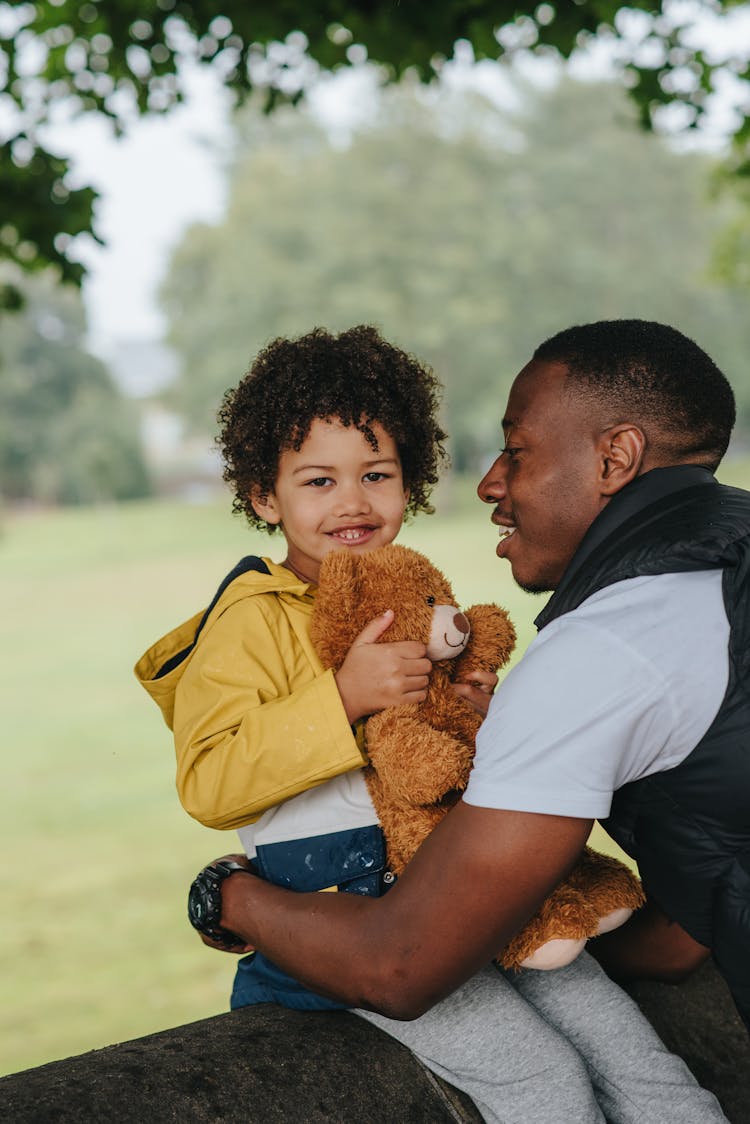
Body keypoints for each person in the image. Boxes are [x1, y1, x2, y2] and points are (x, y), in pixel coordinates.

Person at [138, 323, 727, 1123]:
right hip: (347, 911)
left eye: (375, 474)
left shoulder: (414, 597)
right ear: (262, 497)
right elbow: (210, 782)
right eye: (317, 481)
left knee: (632, 1053)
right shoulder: (247, 621)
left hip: (461, 888)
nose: (352, 502)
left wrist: (479, 714)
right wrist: (342, 699)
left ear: (408, 483)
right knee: (539, 1079)